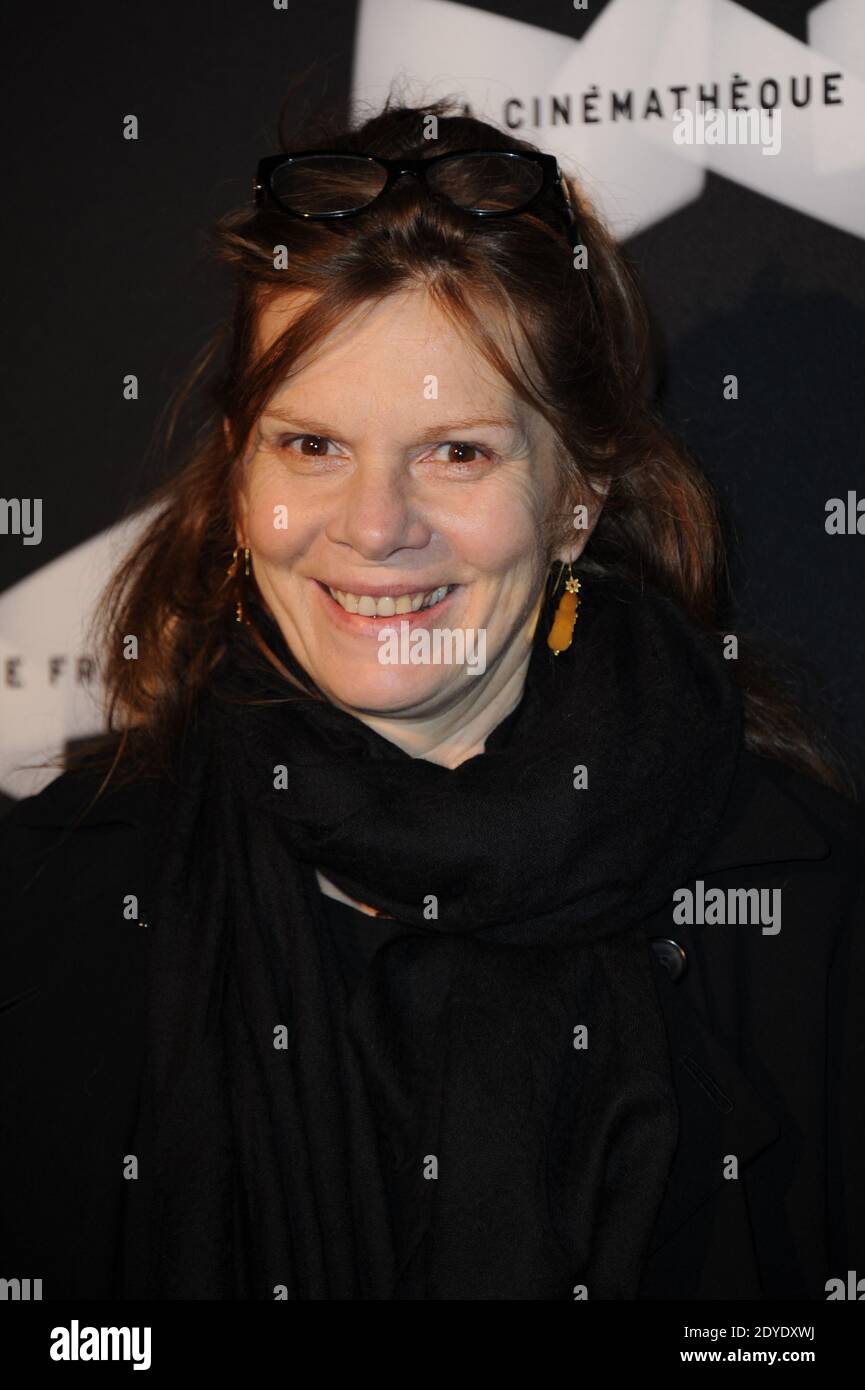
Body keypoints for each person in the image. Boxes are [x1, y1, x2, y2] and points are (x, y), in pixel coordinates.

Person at [1, 97, 863, 1302]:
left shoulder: (805, 913)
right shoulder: (53, 903)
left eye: (457, 451)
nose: (373, 528)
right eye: (311, 446)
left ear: (578, 493)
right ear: (239, 475)